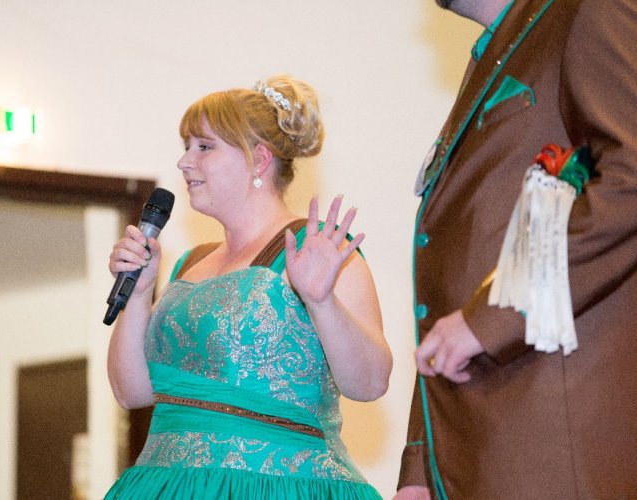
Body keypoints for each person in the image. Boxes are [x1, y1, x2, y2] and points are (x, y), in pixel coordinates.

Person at [105, 74, 393, 499]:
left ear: (259, 160)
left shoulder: (319, 250)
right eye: (186, 146)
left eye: (204, 147)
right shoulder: (190, 263)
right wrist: (141, 291)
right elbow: (131, 392)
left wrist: (321, 301)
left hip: (275, 487)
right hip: (165, 485)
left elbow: (370, 384)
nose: (184, 162)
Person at [396, 0, 637, 498]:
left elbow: (629, 181)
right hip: (475, 449)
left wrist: (495, 314)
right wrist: (420, 467)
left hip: (555, 442)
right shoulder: (491, 54)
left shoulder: (587, 9)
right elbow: (451, 273)